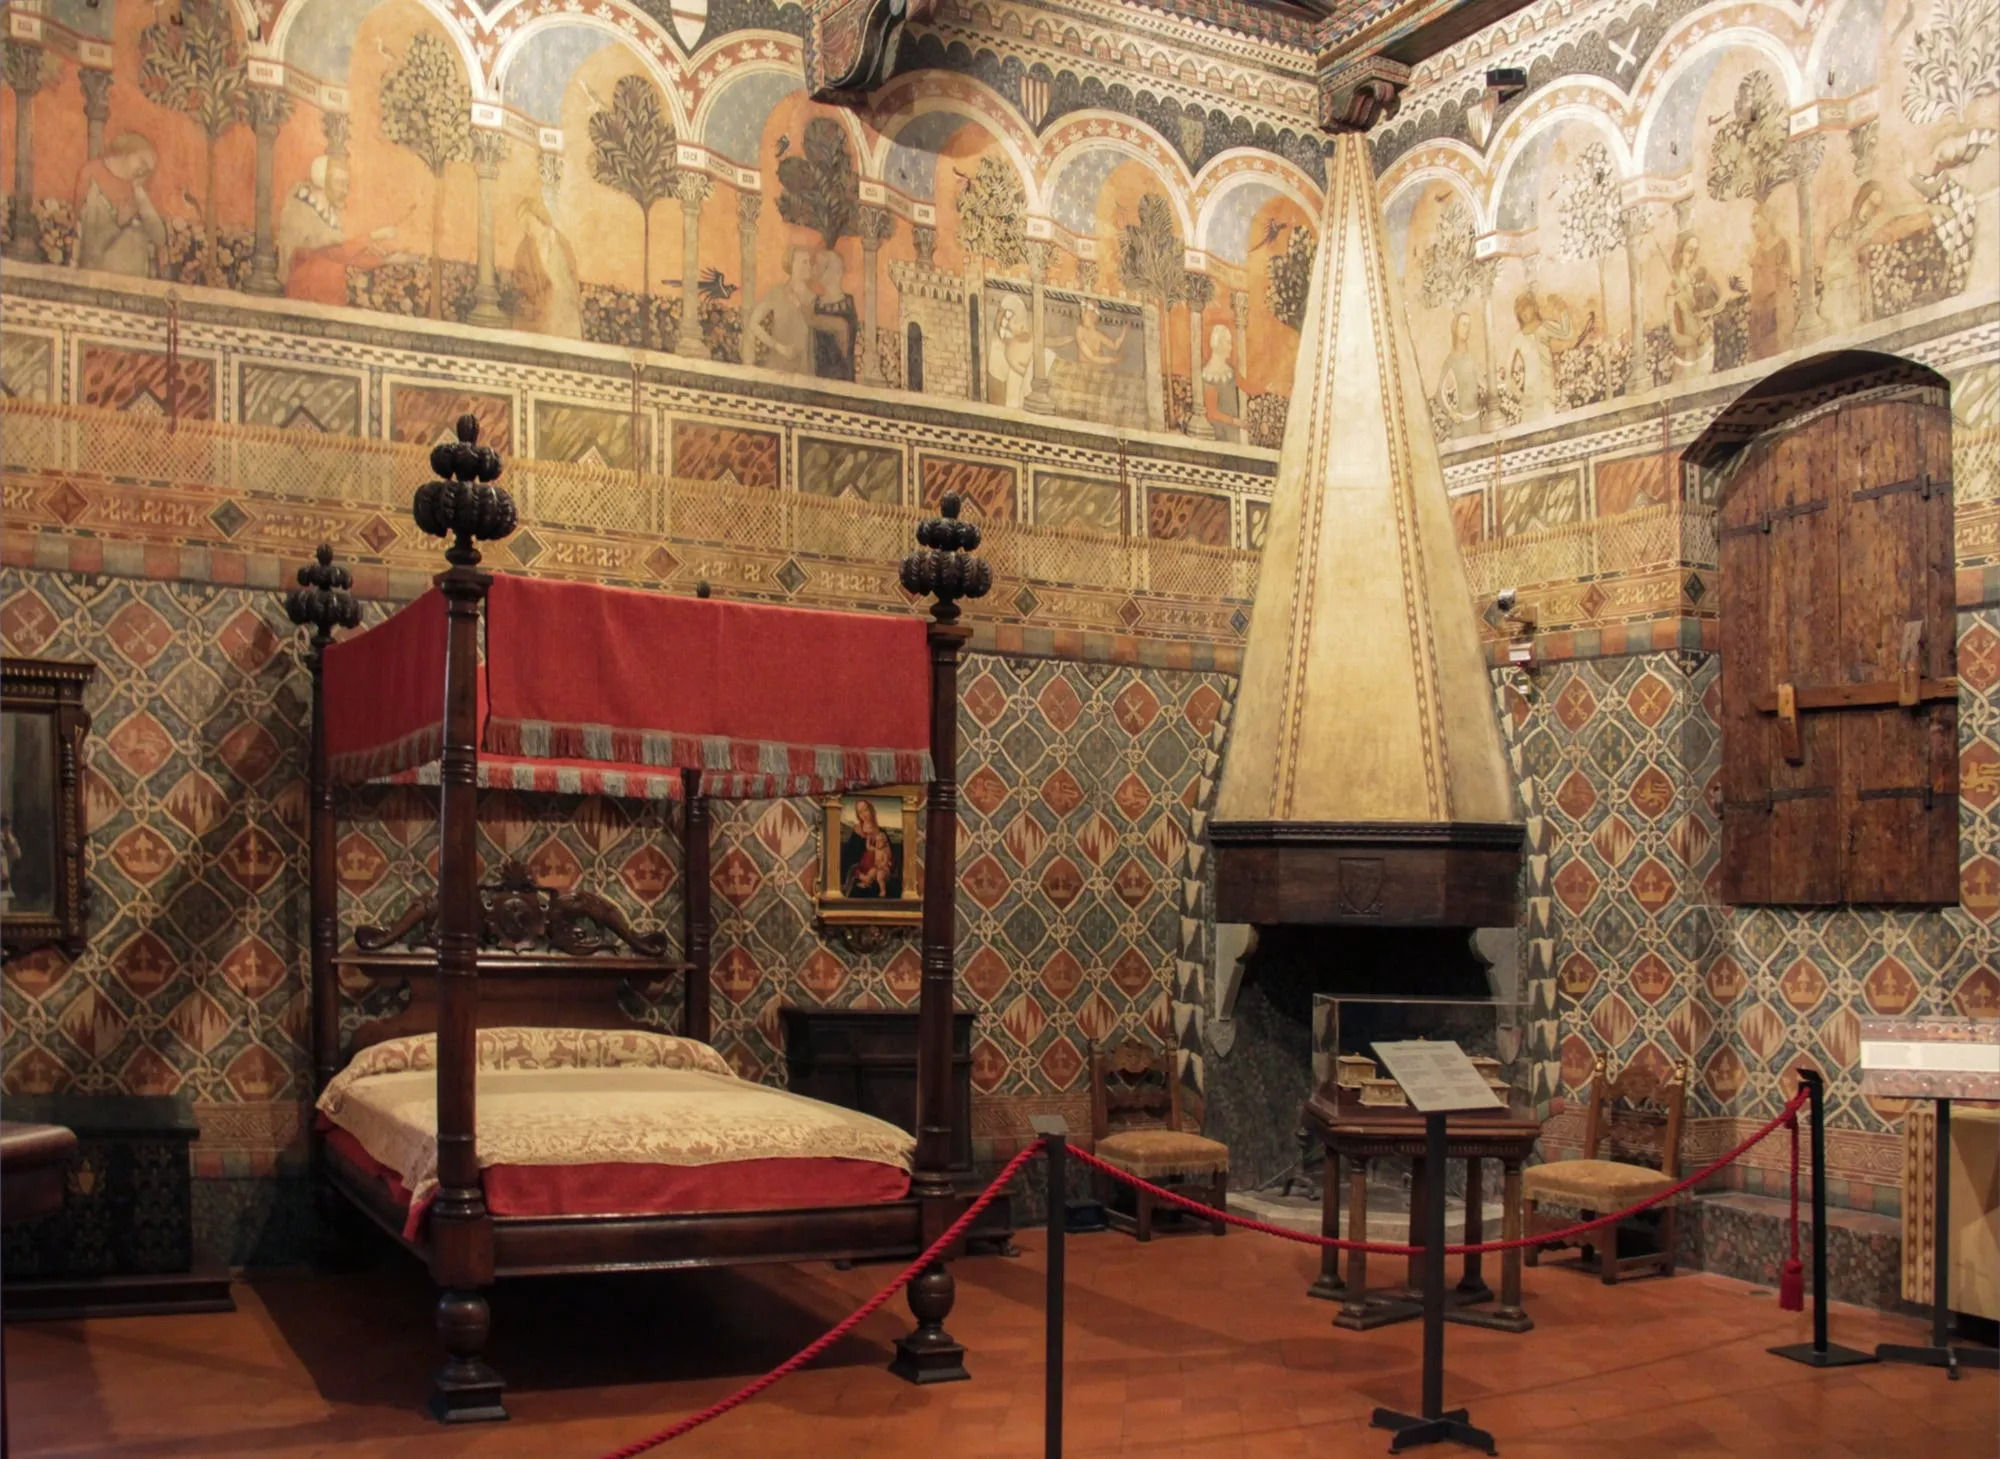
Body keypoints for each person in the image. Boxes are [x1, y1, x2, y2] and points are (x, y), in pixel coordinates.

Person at [278, 155, 394, 307]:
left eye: (346, 185)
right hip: (307, 295)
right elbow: (338, 252)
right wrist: (375, 236)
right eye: (339, 183)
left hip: (330, 298)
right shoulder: (304, 209)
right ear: (323, 181)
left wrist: (387, 260)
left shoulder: (329, 213)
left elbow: (344, 256)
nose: (345, 191)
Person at [74, 133, 166, 277]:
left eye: (148, 170)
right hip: (101, 277)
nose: (143, 171)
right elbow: (89, 247)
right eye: (142, 162)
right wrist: (118, 224)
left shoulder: (138, 189)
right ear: (127, 151)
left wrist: (139, 190)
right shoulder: (93, 176)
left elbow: (159, 236)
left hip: (136, 280)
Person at [1508, 290, 1589, 418]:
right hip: (1531, 397)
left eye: (1526, 308)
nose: (1524, 313)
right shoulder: (1517, 339)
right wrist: (1520, 397)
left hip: (1547, 394)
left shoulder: (1544, 328)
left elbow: (1566, 332)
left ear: (1533, 307)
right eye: (1520, 310)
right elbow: (1508, 375)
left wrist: (1562, 310)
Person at [512, 198, 582, 338]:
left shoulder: (561, 242)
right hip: (539, 313)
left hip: (566, 311)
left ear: (539, 218)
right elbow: (521, 281)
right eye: (523, 225)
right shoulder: (524, 249)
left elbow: (571, 278)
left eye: (528, 223)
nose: (526, 228)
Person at [1665, 232, 1731, 380]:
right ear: (1680, 254)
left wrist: (1710, 312)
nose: (1694, 256)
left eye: (1696, 251)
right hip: (1687, 356)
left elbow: (1725, 293)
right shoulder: (1672, 291)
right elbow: (1674, 336)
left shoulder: (1703, 276)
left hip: (1706, 348)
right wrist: (1695, 341)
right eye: (1689, 251)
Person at [1821, 182, 1883, 334]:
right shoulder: (1840, 232)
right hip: (1839, 302)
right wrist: (1850, 262)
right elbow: (1828, 271)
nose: (1869, 211)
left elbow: (1865, 275)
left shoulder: (1866, 236)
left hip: (1858, 303)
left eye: (1874, 208)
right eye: (1868, 203)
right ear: (1860, 201)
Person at [746, 246, 815, 372]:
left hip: (805, 367)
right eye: (804, 262)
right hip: (778, 365)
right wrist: (778, 347)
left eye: (809, 262)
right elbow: (753, 323)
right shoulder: (776, 292)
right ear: (792, 265)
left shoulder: (813, 298)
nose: (809, 266)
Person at [1746, 206, 1795, 359]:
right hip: (1760, 311)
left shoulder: (1781, 245)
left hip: (1777, 308)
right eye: (1752, 226)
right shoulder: (1758, 250)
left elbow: (1785, 275)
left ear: (1767, 223)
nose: (1753, 230)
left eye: (1756, 225)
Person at [1432, 311, 1485, 438]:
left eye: (1469, 325)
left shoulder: (1472, 358)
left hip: (1475, 422)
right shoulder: (1450, 361)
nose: (1467, 329)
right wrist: (1451, 413)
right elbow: (1439, 394)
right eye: (1464, 325)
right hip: (1459, 426)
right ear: (1455, 328)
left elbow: (1483, 383)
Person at [810, 249, 857, 381]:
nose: (814, 269)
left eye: (819, 265)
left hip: (840, 376)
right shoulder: (816, 303)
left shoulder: (847, 304)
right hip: (817, 375)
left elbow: (842, 328)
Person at [985, 296, 1032, 407]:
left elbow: (1024, 333)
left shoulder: (1018, 308)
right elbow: (999, 325)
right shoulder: (1008, 305)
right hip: (999, 353)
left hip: (1010, 360)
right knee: (997, 384)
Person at [1201, 322, 1241, 442]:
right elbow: (1212, 413)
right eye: (1228, 342)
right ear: (1218, 344)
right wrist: (1235, 421)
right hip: (1217, 433)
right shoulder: (1207, 374)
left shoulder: (1231, 371)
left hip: (1234, 432)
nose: (1231, 347)